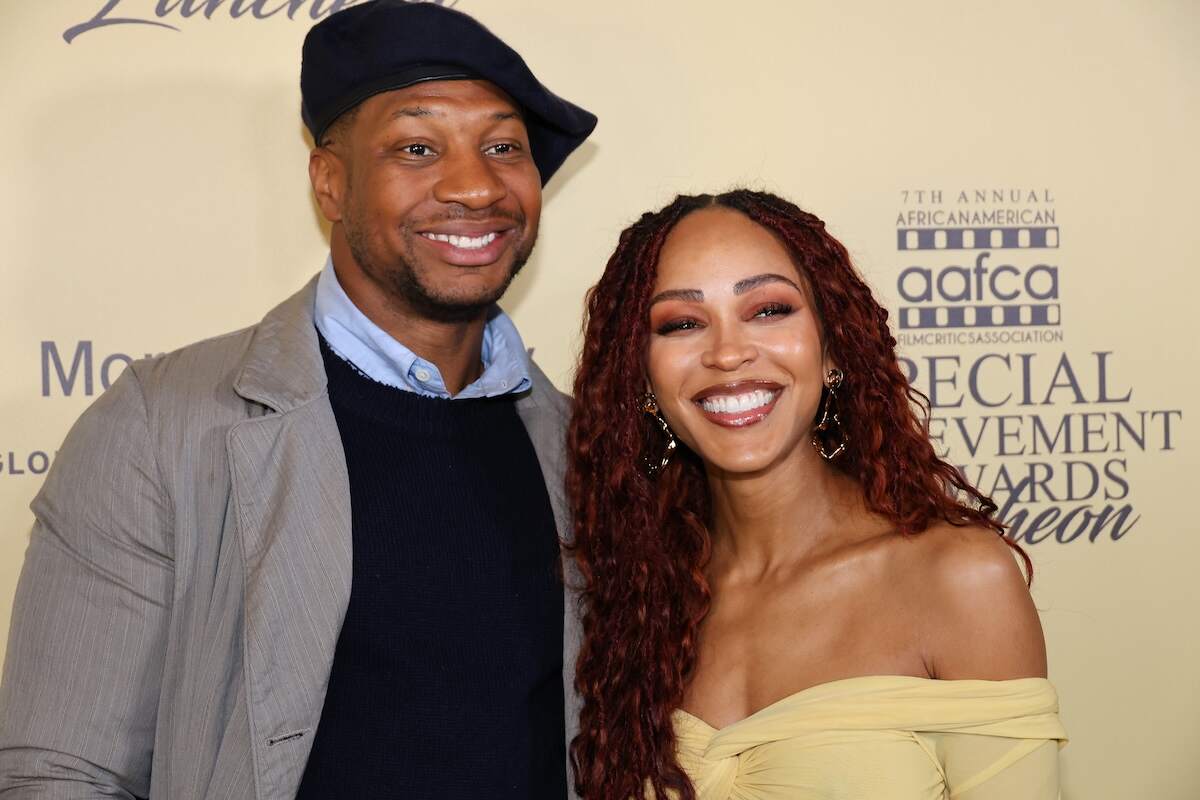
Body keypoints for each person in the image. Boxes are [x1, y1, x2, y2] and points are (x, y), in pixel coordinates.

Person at [0, 3, 596, 798]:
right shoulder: (163, 425)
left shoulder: (578, 448)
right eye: (417, 147)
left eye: (503, 147)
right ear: (330, 182)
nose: (474, 185)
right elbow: (60, 772)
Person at [566, 190, 1067, 799]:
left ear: (832, 348)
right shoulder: (635, 602)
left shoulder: (958, 577)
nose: (727, 353)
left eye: (770, 310)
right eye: (682, 323)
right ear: (641, 377)